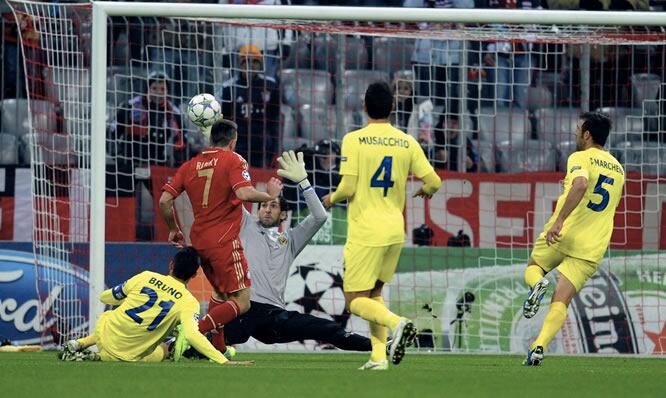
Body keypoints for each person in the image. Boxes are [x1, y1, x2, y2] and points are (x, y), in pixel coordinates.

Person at [180, 151, 371, 358]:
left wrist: (303, 182)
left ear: (283, 215)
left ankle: (379, 346)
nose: (267, 210)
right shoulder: (244, 225)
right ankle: (179, 346)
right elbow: (229, 196)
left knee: (326, 329)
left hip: (272, 317)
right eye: (263, 205)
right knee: (212, 342)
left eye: (273, 205)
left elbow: (319, 216)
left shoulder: (290, 240)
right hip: (244, 308)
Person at [322, 81, 442, 370]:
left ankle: (399, 323)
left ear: (364, 107)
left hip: (366, 231)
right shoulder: (407, 141)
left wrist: (331, 197)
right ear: (392, 108)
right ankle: (378, 357)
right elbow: (434, 181)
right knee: (374, 294)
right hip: (394, 230)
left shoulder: (353, 139)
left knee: (354, 301)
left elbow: (348, 187)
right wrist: (426, 191)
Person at [158, 118, 283, 357]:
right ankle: (192, 331)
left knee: (221, 294)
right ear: (233, 140)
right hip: (224, 240)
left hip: (199, 240)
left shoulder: (190, 165)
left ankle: (218, 346)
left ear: (211, 139)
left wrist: (173, 228)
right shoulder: (234, 160)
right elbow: (244, 192)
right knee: (243, 301)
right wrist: (269, 195)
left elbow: (165, 200)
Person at [521, 112, 624, 366]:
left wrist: (559, 221)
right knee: (561, 299)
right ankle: (538, 347)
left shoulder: (579, 157)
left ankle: (537, 285)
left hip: (563, 232)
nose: (575, 132)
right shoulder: (619, 169)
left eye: (578, 128)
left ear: (587, 135)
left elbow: (579, 185)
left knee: (534, 267)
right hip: (592, 245)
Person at [59, 247, 251, 365]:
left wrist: (122, 297)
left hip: (103, 332)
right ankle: (94, 358)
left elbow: (107, 297)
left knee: (118, 318)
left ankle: (80, 343)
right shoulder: (188, 302)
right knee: (163, 351)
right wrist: (222, 360)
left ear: (171, 265)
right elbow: (193, 335)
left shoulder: (146, 276)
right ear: (193, 276)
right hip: (126, 354)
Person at [218, 44, 280, 168]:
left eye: (255, 61)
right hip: (238, 143)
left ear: (261, 64)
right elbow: (224, 120)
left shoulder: (270, 85)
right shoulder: (228, 88)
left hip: (262, 144)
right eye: (246, 61)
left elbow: (275, 119)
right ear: (240, 64)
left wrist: (274, 147)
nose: (251, 65)